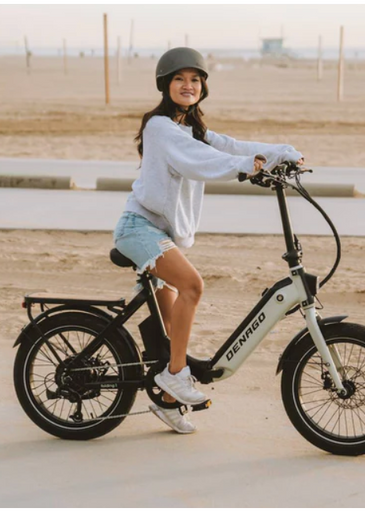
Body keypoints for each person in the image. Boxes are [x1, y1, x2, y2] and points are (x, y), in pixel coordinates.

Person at [113, 47, 304, 434]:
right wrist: (241, 168)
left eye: (195, 80)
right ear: (165, 85)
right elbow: (196, 160)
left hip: (161, 234)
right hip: (139, 229)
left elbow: (231, 146)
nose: (188, 85)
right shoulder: (160, 127)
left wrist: (282, 153)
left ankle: (168, 399)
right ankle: (176, 377)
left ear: (203, 88)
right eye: (180, 79)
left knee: (170, 335)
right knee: (193, 286)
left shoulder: (192, 129)